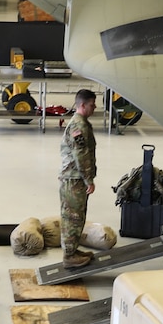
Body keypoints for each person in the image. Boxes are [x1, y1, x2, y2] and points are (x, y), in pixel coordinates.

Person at [59, 88, 98, 269]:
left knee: (78, 216)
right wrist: (88, 179)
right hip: (74, 180)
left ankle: (73, 251)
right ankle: (69, 256)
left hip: (76, 179)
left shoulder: (82, 123)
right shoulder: (78, 126)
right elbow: (81, 155)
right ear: (82, 105)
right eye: (92, 104)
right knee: (72, 218)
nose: (95, 107)